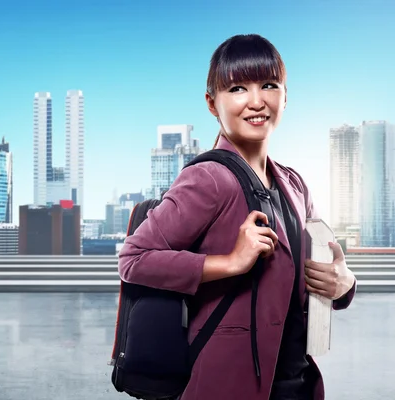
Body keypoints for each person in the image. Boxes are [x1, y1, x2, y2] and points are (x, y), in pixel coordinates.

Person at [117, 33, 357, 400]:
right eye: (238, 89)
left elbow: (314, 278)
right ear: (212, 104)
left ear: (286, 96)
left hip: (295, 384)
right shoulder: (209, 177)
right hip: (226, 385)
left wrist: (343, 283)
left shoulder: (294, 184)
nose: (257, 101)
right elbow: (133, 259)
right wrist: (230, 263)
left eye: (269, 85)